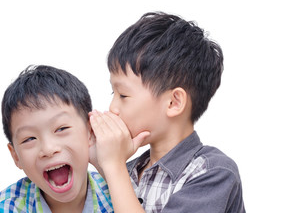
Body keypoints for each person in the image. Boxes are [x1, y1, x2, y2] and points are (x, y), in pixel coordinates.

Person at [89, 11, 245, 212]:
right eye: (113, 92)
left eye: (123, 95)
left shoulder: (213, 172)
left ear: (173, 102)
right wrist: (101, 161)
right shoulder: (127, 172)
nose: (113, 108)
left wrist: (113, 166)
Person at [0, 65, 113, 213]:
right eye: (29, 139)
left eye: (61, 129)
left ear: (90, 132)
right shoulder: (2, 209)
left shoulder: (119, 192)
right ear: (15, 156)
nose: (48, 149)